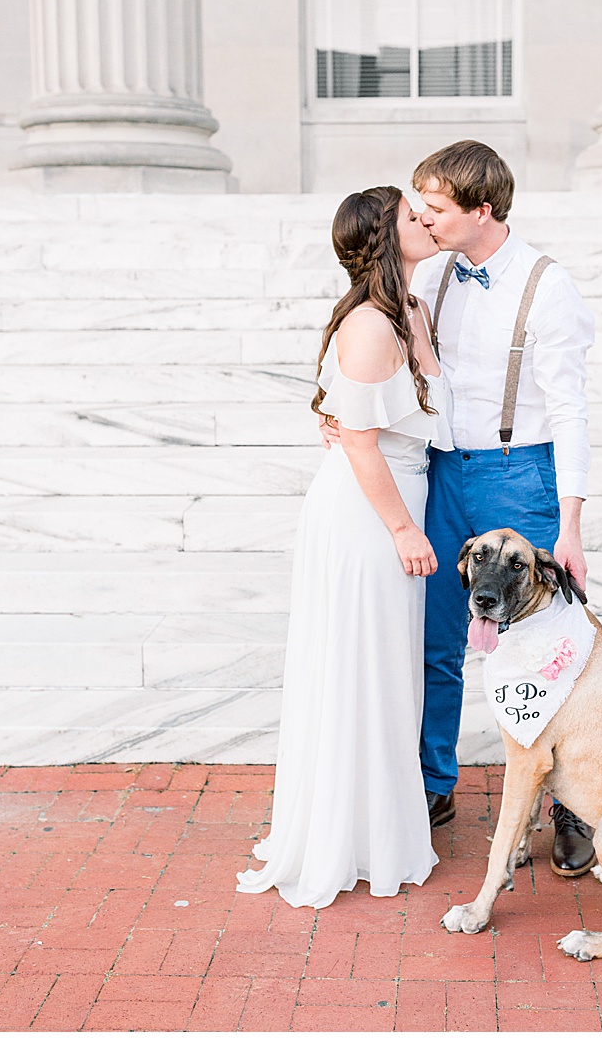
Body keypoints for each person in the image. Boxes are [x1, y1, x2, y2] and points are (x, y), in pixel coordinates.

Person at [239, 186, 452, 908]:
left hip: (398, 497)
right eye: (412, 215)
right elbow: (359, 440)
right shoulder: (368, 324)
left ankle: (376, 829)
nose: (426, 220)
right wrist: (403, 529)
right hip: (369, 517)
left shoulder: (411, 310)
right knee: (360, 668)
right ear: (386, 237)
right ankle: (345, 837)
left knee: (386, 672)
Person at [407, 140, 597, 875]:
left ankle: (571, 804)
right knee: (437, 635)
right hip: (443, 472)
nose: (424, 218)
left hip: (521, 476)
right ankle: (434, 783)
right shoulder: (433, 274)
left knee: (553, 647)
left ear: (482, 210)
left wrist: (570, 523)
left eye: (436, 208)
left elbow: (570, 409)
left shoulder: (547, 285)